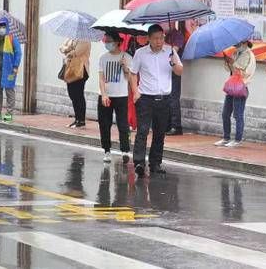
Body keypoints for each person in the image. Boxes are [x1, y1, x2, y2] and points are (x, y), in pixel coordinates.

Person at [129, 24, 183, 178]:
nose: (159, 41)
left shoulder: (170, 51)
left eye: (161, 38)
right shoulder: (140, 53)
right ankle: (139, 162)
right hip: (145, 98)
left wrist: (174, 62)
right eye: (156, 38)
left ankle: (155, 163)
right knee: (143, 131)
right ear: (149, 39)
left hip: (164, 98)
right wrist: (136, 92)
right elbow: (133, 73)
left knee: (160, 132)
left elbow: (180, 71)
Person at [98, 31, 132, 164]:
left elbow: (130, 79)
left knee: (123, 124)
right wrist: (104, 94)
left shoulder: (127, 57)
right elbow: (101, 78)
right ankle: (106, 150)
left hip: (121, 95)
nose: (107, 44)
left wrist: (124, 67)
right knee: (104, 124)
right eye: (105, 41)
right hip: (105, 95)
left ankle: (125, 150)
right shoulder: (103, 57)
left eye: (109, 41)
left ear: (117, 41)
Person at [215, 40, 256, 147]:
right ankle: (226, 137)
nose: (237, 46)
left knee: (238, 115)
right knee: (225, 113)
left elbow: (244, 72)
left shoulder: (249, 55)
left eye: (238, 44)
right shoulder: (236, 53)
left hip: (241, 86)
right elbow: (231, 70)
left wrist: (233, 63)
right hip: (232, 85)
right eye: (236, 44)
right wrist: (227, 62)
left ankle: (238, 140)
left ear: (245, 43)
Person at [0, 18, 21, 123]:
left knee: (9, 90)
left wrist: (15, 66)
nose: (1, 29)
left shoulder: (12, 39)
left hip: (10, 71)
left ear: (7, 27)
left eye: (3, 26)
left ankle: (9, 113)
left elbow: (18, 53)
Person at [60, 38, 91, 129]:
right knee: (72, 94)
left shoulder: (85, 39)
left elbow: (76, 52)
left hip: (81, 70)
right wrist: (67, 49)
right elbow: (61, 47)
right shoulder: (71, 37)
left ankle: (81, 121)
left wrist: (68, 50)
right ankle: (77, 119)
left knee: (78, 95)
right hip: (70, 69)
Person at [165, 23, 185, 136]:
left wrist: (166, 45)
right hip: (165, 70)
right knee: (166, 97)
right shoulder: (164, 35)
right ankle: (166, 124)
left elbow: (174, 51)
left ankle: (176, 126)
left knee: (174, 97)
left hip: (175, 69)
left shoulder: (178, 35)